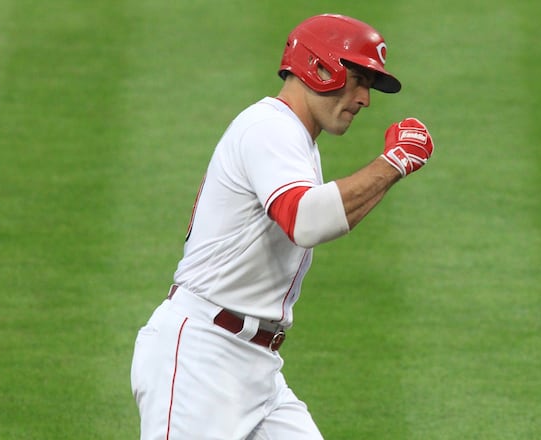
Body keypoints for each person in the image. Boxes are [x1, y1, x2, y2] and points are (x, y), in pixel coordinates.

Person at [130, 13, 434, 440]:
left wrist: (391, 171)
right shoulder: (270, 128)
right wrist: (393, 163)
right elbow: (306, 220)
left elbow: (322, 216)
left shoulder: (294, 140)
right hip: (203, 359)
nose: (365, 98)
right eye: (359, 79)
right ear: (321, 66)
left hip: (255, 367)